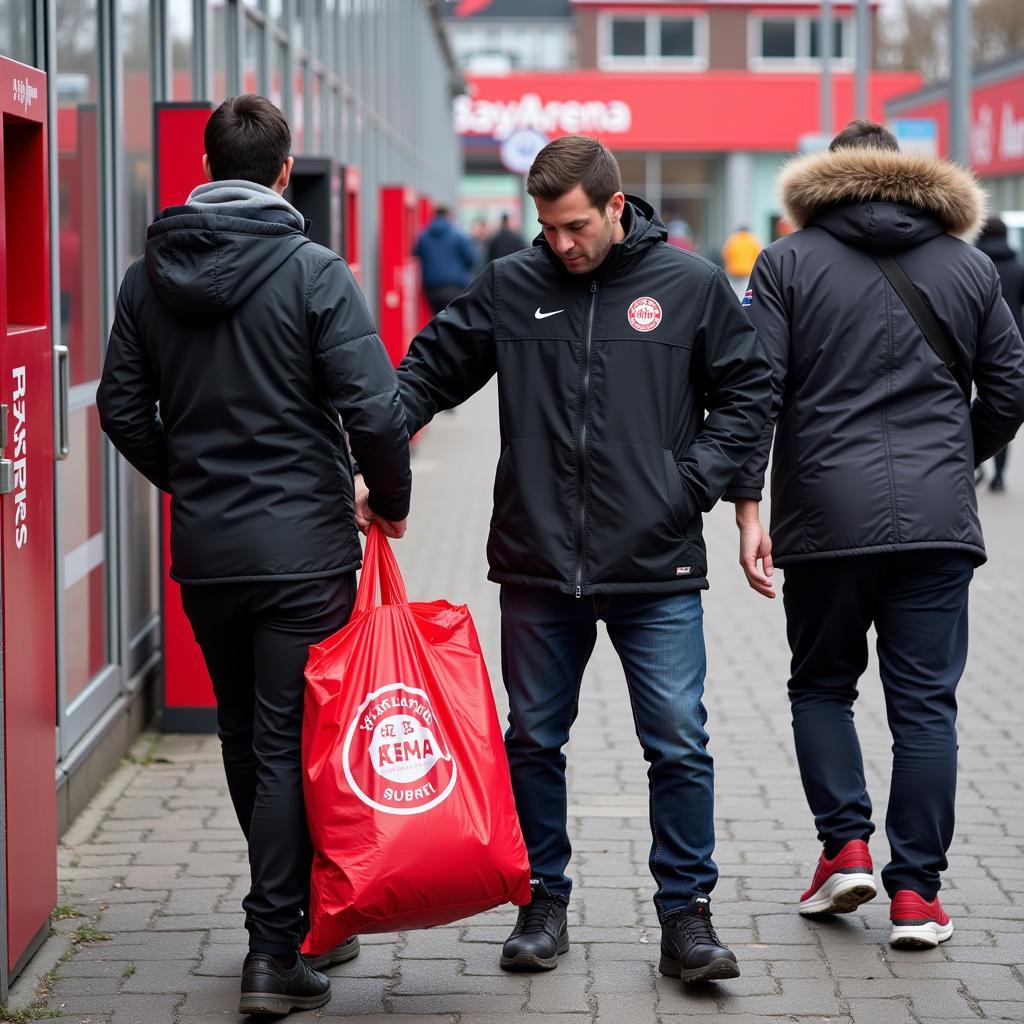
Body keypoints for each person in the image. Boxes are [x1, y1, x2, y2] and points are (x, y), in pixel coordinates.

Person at [372, 135, 771, 983]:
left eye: (576, 226)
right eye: (548, 228)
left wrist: (690, 484)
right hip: (537, 563)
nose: (561, 243)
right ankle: (540, 902)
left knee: (678, 743)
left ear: (617, 207)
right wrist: (375, 454)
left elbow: (749, 390)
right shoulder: (513, 287)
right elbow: (429, 372)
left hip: (655, 563)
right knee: (534, 740)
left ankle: (687, 920)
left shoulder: (690, 286)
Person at [97, 95, 411, 1016]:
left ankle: (291, 924)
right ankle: (280, 948)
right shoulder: (314, 271)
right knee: (286, 745)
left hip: (209, 553)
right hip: (304, 553)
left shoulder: (145, 278)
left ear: (206, 164)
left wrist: (189, 480)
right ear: (284, 172)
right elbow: (377, 411)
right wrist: (386, 504)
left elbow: (121, 410)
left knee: (245, 735)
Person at [727, 119, 1024, 949]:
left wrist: (747, 505)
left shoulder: (786, 262)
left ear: (827, 177)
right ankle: (917, 897)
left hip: (823, 516)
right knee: (926, 707)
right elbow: (1011, 385)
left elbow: (756, 388)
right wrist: (959, 455)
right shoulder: (967, 265)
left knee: (822, 685)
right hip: (937, 524)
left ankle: (845, 846)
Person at [975, 216, 1024, 491]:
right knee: (1001, 401)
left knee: (963, 400)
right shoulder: (1018, 269)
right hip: (1010, 344)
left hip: (969, 345)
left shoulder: (969, 266)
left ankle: (972, 459)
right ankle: (999, 475)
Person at [413, 205, 477, 314]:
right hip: (454, 286)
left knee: (436, 319)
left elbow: (416, 255)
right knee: (453, 319)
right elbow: (470, 259)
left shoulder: (423, 236)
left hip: (431, 287)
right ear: (448, 216)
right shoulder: (458, 235)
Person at [721, 225, 762, 297]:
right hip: (747, 271)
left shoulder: (732, 239)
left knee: (733, 291)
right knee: (745, 291)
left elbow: (725, 254)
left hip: (733, 270)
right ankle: (743, 306)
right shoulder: (753, 240)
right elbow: (758, 256)